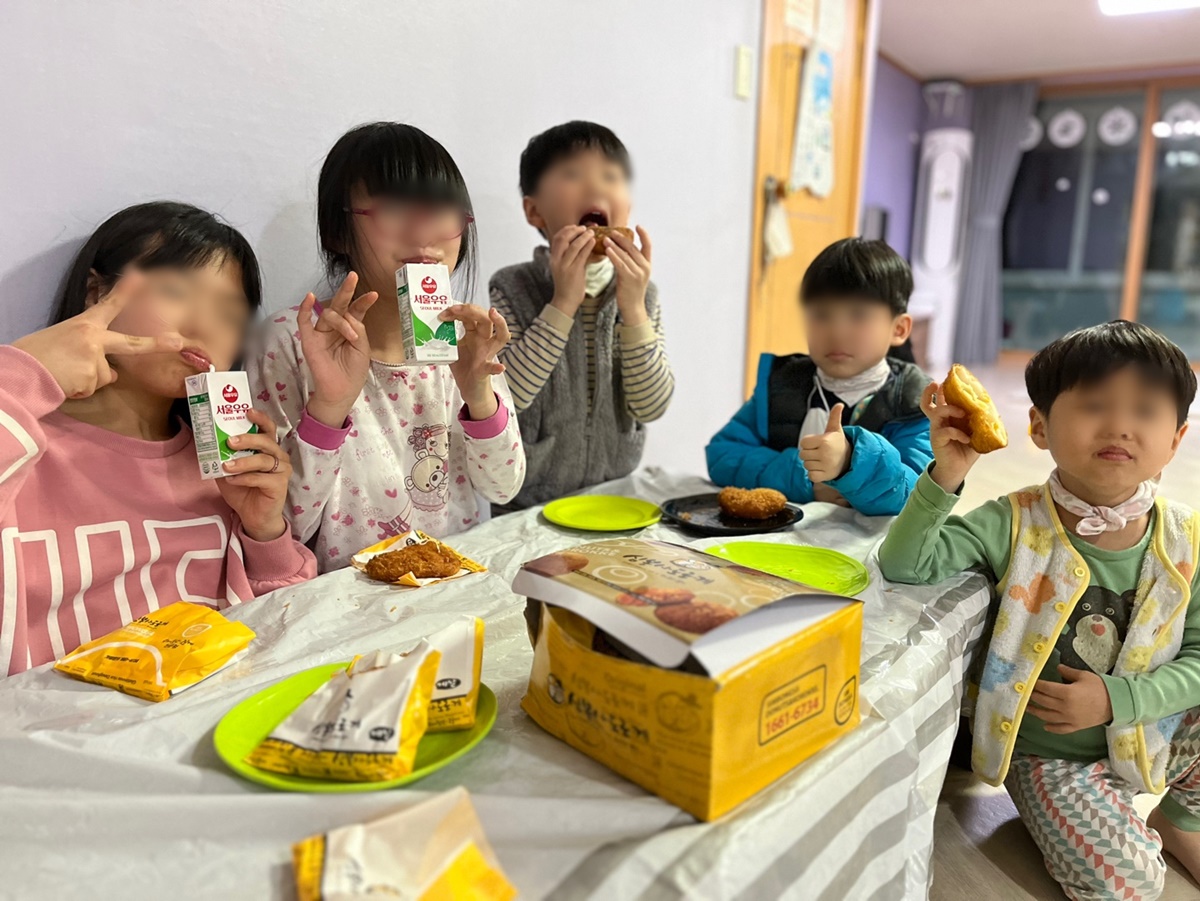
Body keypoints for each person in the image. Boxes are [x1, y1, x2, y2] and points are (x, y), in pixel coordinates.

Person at [879, 321, 1200, 901]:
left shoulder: (1187, 539)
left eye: (1145, 410)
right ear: (1039, 427)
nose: (1120, 425)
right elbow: (906, 565)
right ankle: (1089, 818)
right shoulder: (1013, 522)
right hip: (1055, 756)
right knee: (1129, 888)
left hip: (1151, 729)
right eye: (1095, 404)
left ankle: (1180, 821)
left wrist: (1118, 700)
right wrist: (947, 472)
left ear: (1174, 440)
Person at [0, 202, 316, 676]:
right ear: (96, 292)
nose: (202, 327)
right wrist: (23, 374)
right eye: (175, 291)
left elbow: (282, 632)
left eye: (230, 314)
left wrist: (264, 531)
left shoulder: (224, 465)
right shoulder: (19, 439)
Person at [248, 123, 525, 571]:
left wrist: (479, 396)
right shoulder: (294, 340)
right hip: (348, 597)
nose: (423, 230)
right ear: (338, 232)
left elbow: (503, 488)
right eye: (394, 206)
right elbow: (281, 525)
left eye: (443, 208)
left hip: (452, 582)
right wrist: (328, 408)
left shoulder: (462, 340)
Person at [488, 121, 674, 511]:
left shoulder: (643, 294)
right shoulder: (512, 286)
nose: (596, 187)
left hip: (615, 495)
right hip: (527, 502)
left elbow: (652, 406)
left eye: (611, 176)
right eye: (573, 174)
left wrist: (634, 309)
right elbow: (507, 398)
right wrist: (563, 303)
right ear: (534, 211)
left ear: (627, 206)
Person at [706, 238, 929, 515]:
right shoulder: (782, 384)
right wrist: (806, 478)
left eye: (858, 315)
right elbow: (722, 455)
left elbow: (917, 496)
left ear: (899, 329)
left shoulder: (916, 402)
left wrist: (850, 463)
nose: (837, 332)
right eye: (821, 314)